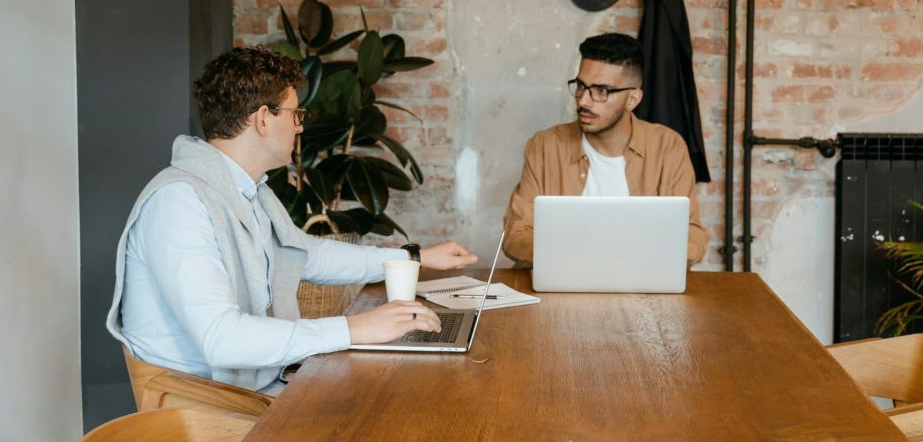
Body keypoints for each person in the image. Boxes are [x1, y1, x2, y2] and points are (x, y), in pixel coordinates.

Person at [107, 46, 477, 394]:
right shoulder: (179, 202)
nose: (300, 127)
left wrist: (415, 257)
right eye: (295, 114)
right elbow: (222, 338)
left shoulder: (247, 192)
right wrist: (354, 328)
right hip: (208, 407)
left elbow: (308, 255)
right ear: (264, 119)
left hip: (260, 387)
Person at [502, 33, 709, 266]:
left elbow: (692, 237)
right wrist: (570, 259)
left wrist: (632, 260)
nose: (583, 101)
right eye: (581, 86)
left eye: (601, 91)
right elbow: (516, 233)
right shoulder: (545, 146)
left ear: (632, 99)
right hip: (562, 285)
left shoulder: (667, 148)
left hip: (640, 287)